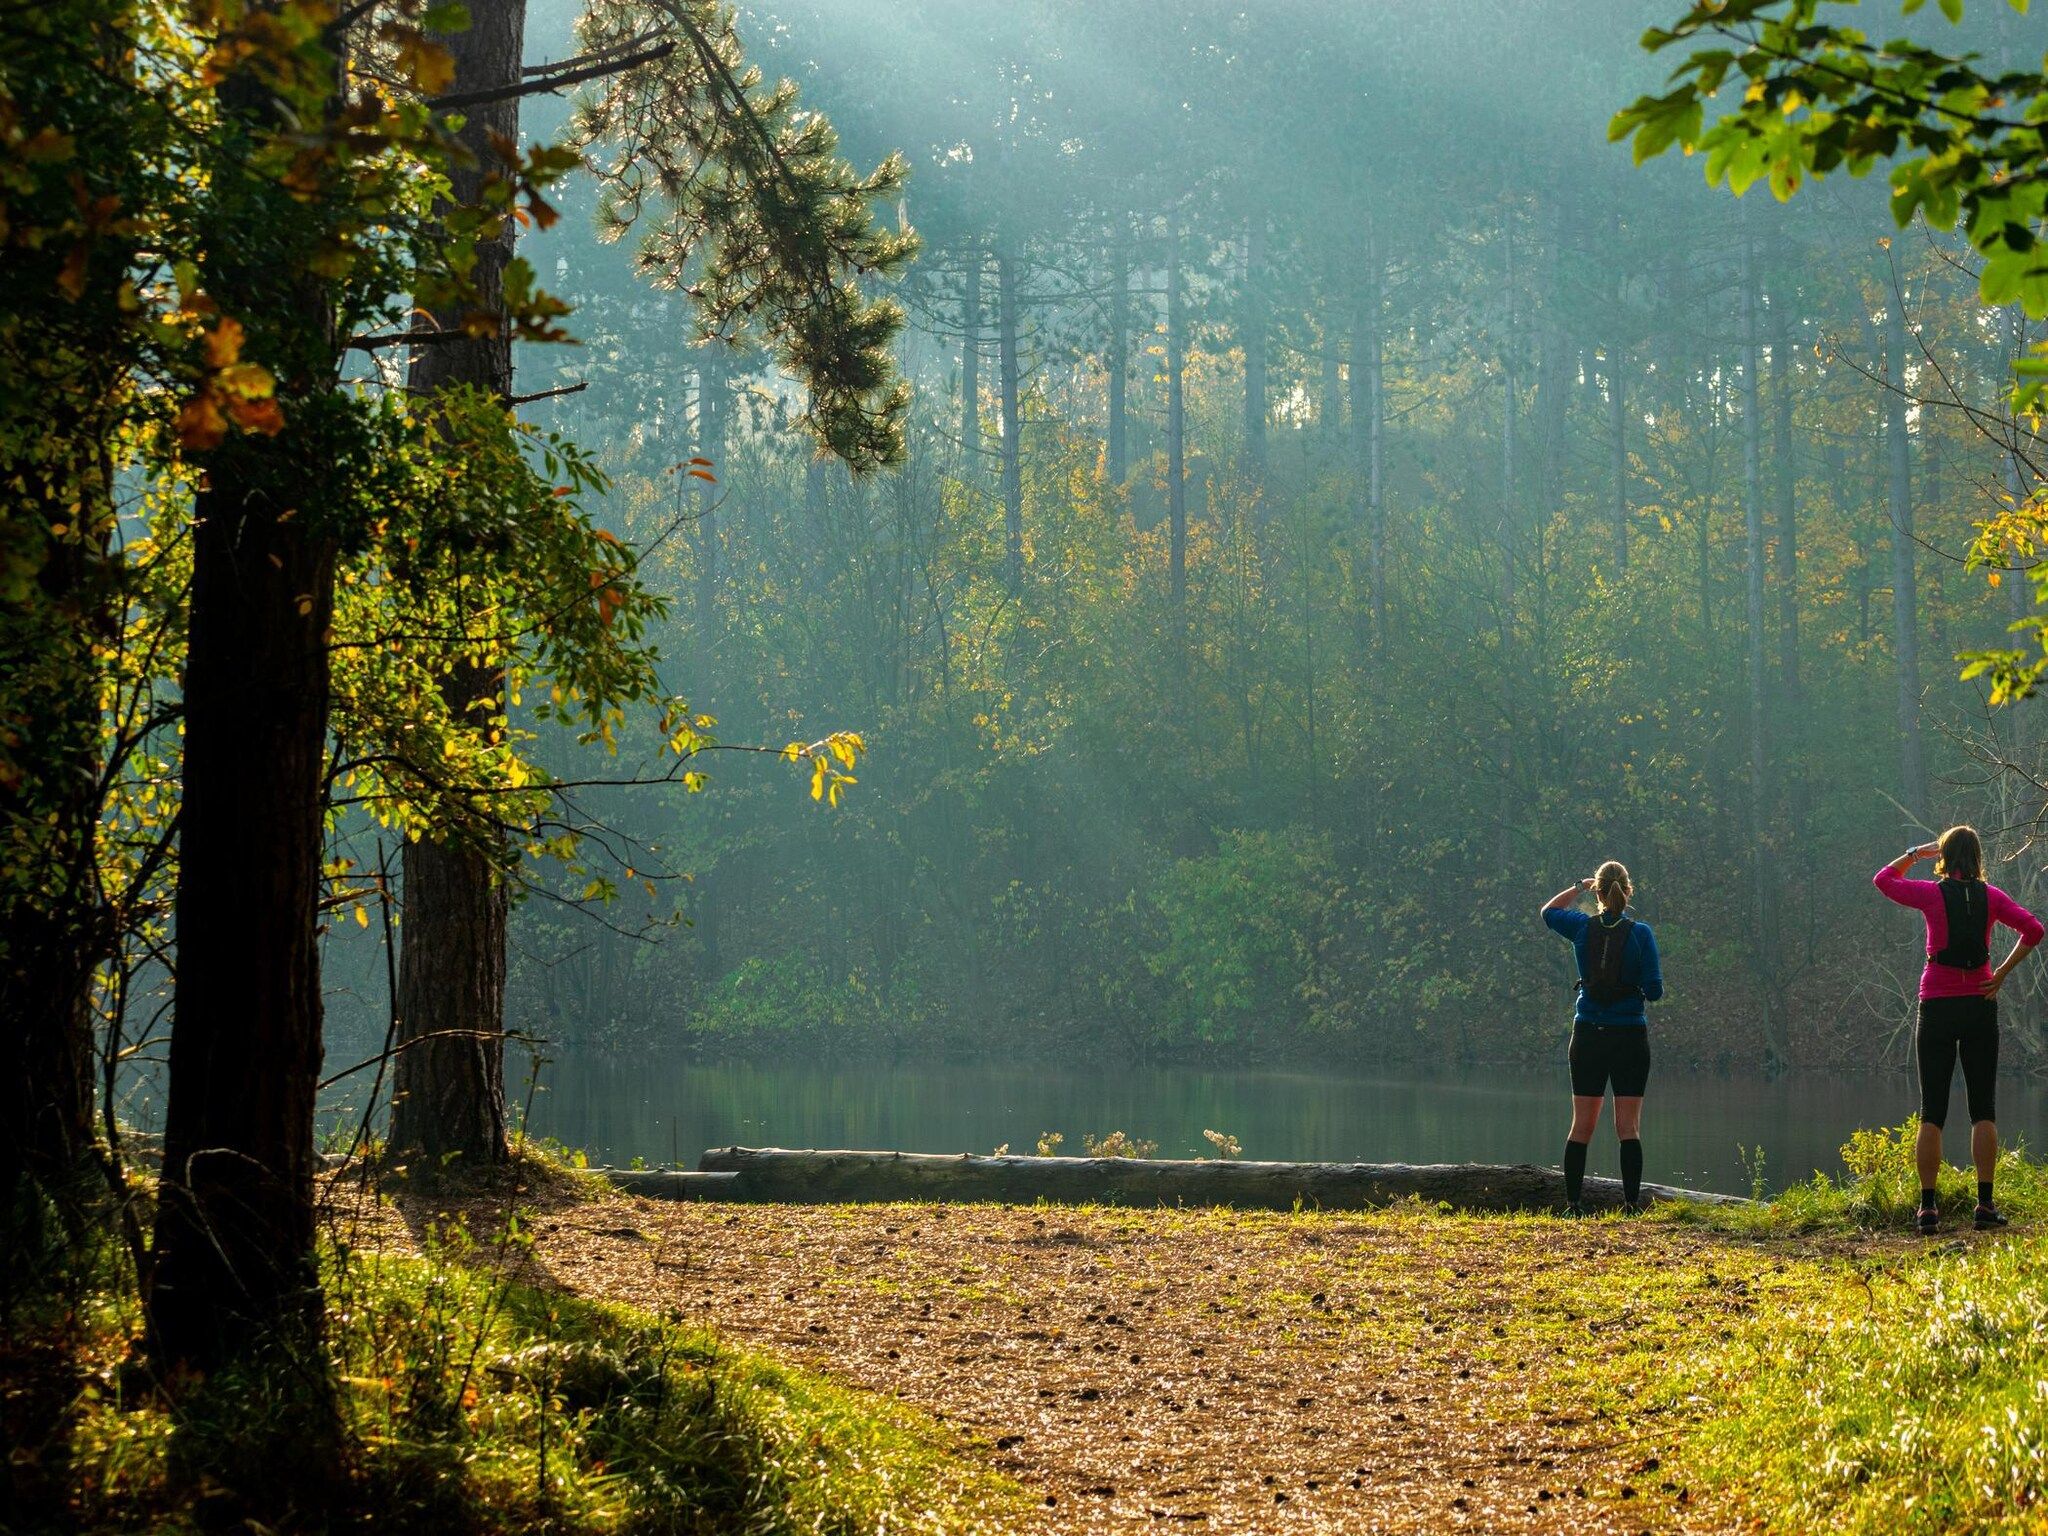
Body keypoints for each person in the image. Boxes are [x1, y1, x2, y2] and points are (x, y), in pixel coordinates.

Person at [1874, 825, 2041, 1233]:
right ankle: (1984, 1206)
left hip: (1937, 1007)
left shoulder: (1932, 894)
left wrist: (1916, 852)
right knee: (1983, 1109)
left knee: (1932, 1111)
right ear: (1979, 858)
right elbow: (2034, 930)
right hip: (1979, 1006)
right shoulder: (1993, 897)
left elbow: (1883, 880)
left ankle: (1927, 1209)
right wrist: (2000, 972)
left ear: (1945, 857)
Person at [1542, 860, 1664, 1215]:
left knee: (1582, 1125)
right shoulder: (1641, 934)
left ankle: (1573, 1204)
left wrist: (1578, 886)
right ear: (1628, 891)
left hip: (1588, 1036)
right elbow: (1654, 991)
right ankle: (1629, 1206)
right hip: (1629, 1038)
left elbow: (1549, 912)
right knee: (1628, 1127)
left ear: (1597, 892)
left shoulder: (1581, 928)